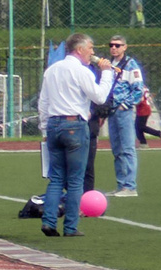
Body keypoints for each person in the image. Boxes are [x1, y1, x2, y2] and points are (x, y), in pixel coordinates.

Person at [37, 35, 116, 236]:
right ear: (79, 49)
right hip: (74, 125)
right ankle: (70, 227)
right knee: (75, 179)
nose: (93, 52)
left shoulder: (52, 70)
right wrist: (107, 74)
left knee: (55, 178)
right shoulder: (82, 71)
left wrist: (45, 127)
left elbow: (43, 102)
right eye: (90, 48)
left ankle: (49, 221)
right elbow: (99, 96)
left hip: (54, 124)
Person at [103, 35, 144, 196]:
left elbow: (138, 89)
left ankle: (130, 186)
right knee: (117, 149)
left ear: (125, 47)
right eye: (111, 45)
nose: (114, 48)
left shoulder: (131, 65)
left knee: (127, 148)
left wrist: (124, 105)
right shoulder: (109, 64)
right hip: (111, 111)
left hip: (123, 111)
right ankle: (121, 185)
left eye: (118, 45)